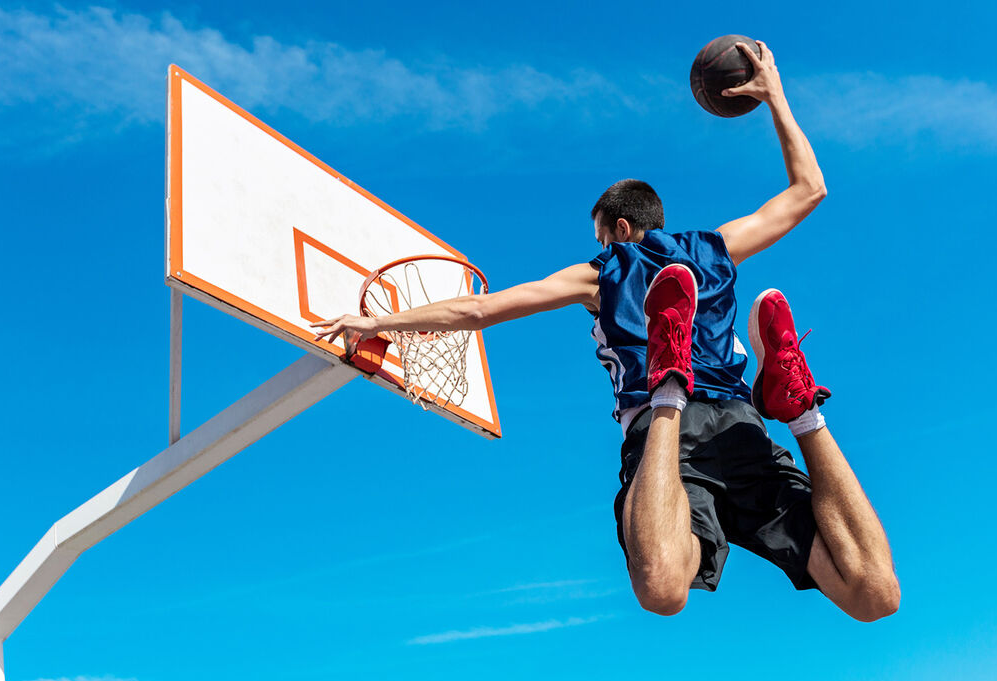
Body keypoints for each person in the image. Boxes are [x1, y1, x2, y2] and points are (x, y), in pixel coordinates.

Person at [313, 41, 899, 622]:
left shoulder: (601, 273)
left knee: (662, 589)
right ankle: (799, 411)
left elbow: (478, 311)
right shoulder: (716, 248)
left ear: (619, 228)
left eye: (601, 237)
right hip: (743, 423)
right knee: (874, 596)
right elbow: (809, 190)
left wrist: (380, 320)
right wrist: (775, 97)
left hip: (668, 434)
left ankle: (667, 378)